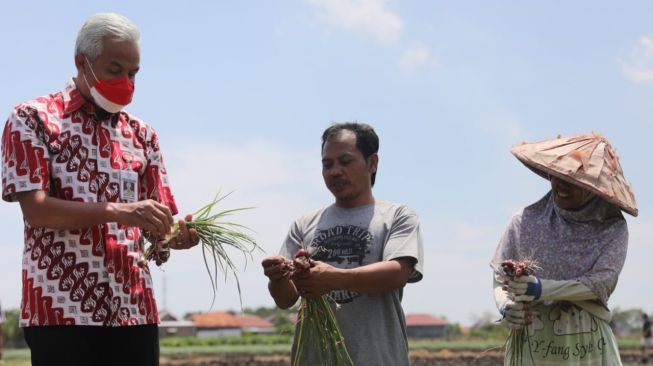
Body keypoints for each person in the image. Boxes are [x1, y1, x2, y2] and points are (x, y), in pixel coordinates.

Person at [1, 13, 199, 366]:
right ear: (82, 62)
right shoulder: (32, 119)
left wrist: (173, 236)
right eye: (115, 69)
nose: (126, 81)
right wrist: (118, 211)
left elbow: (159, 224)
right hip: (60, 313)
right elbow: (37, 210)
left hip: (133, 310)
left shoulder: (143, 136)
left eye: (133, 73)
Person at [261, 122, 424, 366]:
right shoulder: (305, 224)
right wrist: (277, 277)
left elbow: (397, 273)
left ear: (372, 163)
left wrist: (332, 277)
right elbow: (286, 299)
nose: (335, 171)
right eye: (327, 165)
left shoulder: (397, 216)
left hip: (377, 359)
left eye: (345, 162)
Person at [491, 134, 637, 365]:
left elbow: (602, 281)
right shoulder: (525, 221)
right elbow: (501, 279)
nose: (562, 186)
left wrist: (542, 288)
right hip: (532, 342)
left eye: (576, 182)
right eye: (558, 176)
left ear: (594, 189)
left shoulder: (611, 227)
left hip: (587, 344)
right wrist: (506, 306)